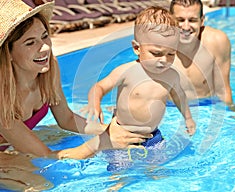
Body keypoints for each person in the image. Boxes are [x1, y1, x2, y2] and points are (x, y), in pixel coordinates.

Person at [0, 0, 152, 159]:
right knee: (41, 184)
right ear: (7, 53)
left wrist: (113, 130)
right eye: (30, 43)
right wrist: (103, 142)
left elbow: (67, 118)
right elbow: (46, 156)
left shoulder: (48, 68)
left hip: (14, 144)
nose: (45, 48)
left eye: (45, 36)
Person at [80, 6, 196, 171]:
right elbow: (99, 87)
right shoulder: (126, 71)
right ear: (137, 48)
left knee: (157, 170)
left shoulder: (172, 76)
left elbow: (179, 96)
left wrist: (188, 118)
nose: (164, 60)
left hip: (152, 136)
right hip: (120, 135)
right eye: (156, 53)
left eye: (171, 54)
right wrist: (94, 104)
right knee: (119, 171)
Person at [169, 0, 235, 120]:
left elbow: (223, 87)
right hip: (170, 109)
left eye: (192, 20)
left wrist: (232, 110)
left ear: (202, 21)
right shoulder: (157, 44)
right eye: (180, 20)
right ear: (170, 20)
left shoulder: (217, 41)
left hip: (207, 106)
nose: (186, 27)